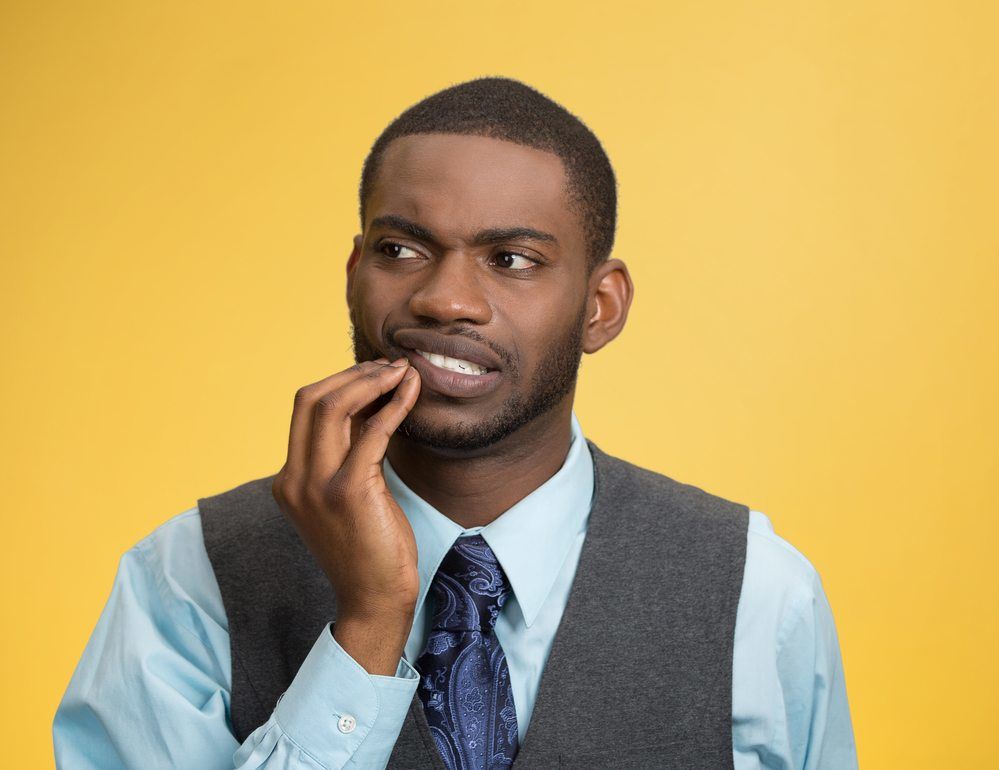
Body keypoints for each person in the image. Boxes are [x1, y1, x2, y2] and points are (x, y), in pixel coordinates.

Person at [53, 77, 858, 770]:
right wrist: (368, 627)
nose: (444, 299)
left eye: (511, 260)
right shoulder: (187, 581)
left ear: (600, 307)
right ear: (352, 272)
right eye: (401, 249)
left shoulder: (757, 592)